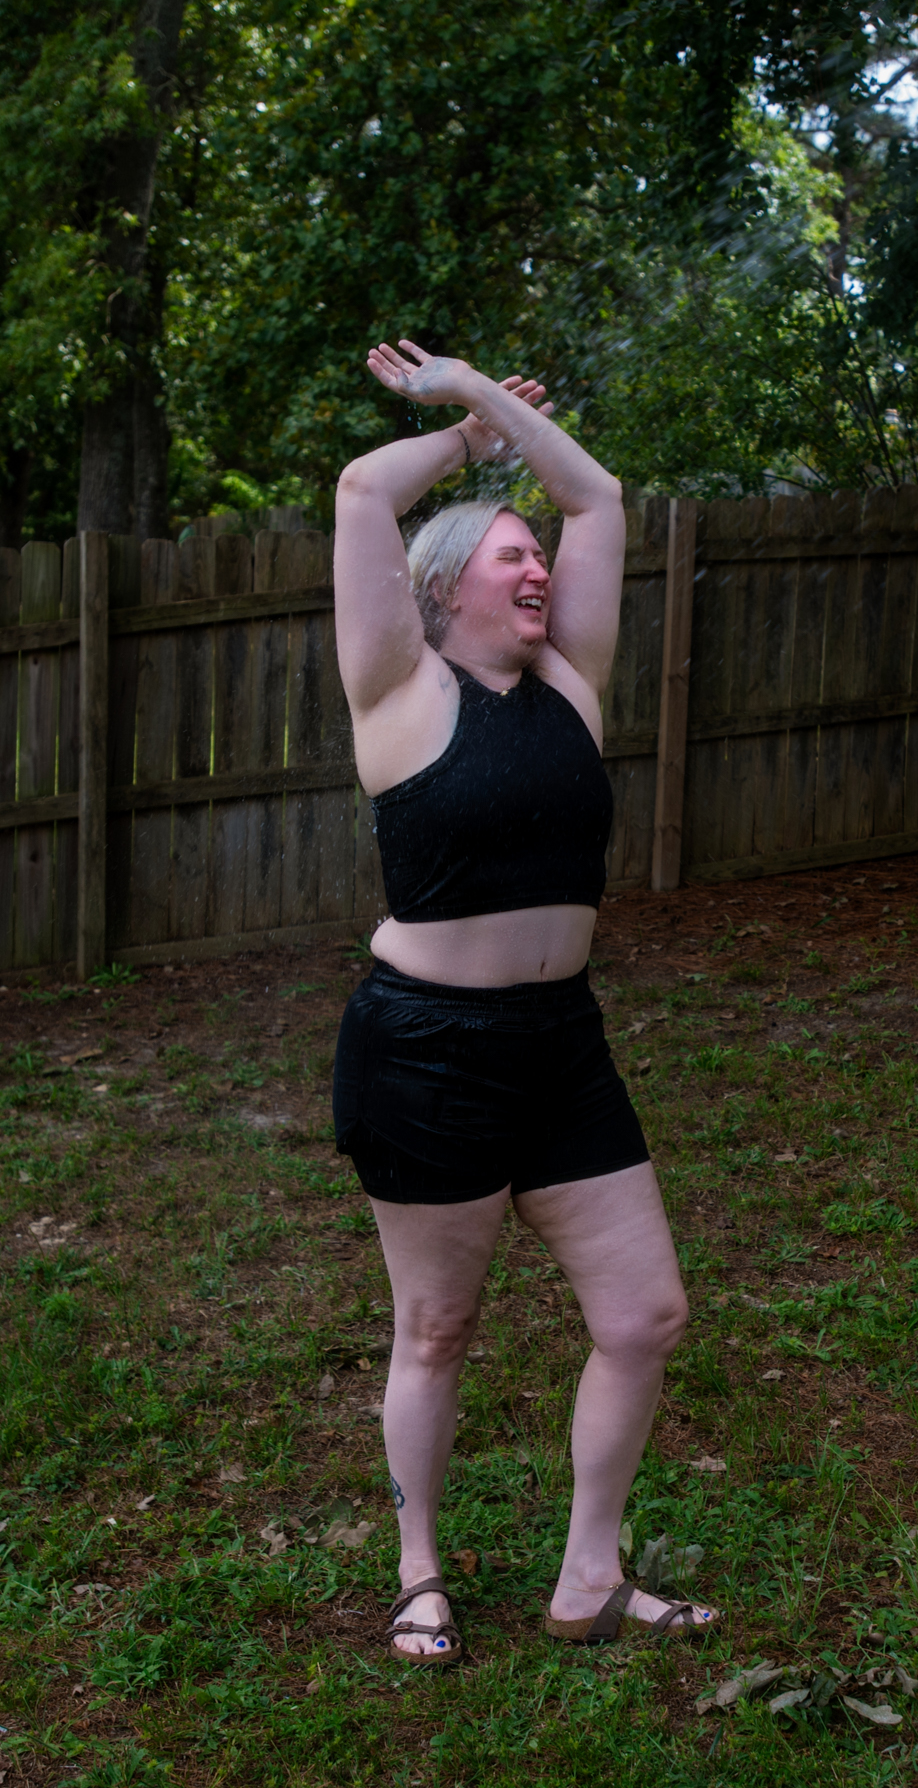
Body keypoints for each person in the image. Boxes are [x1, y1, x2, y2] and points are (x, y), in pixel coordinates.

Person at [330, 340, 716, 1665]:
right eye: (511, 554)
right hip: (425, 1053)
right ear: (445, 588)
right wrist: (461, 435)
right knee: (436, 1330)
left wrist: (499, 407)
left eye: (536, 554)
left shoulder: (571, 684)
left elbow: (598, 499)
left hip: (561, 1045)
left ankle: (589, 1576)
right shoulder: (400, 688)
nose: (538, 565)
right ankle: (419, 1572)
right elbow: (360, 494)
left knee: (644, 1316)